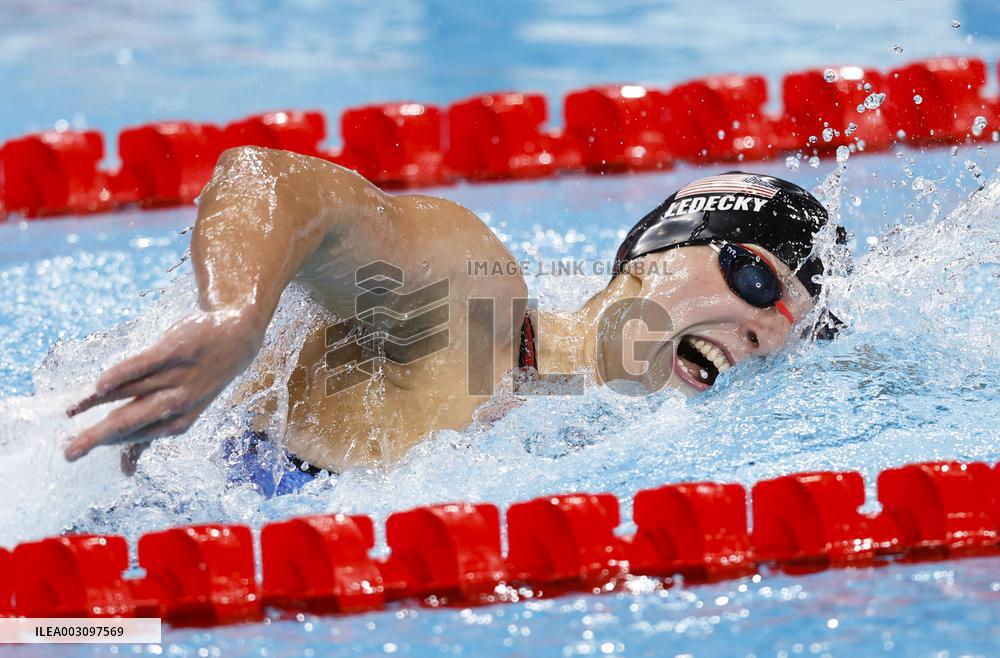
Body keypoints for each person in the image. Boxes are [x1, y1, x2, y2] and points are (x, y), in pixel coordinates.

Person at [62, 147, 845, 480]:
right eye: (754, 279)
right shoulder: (476, 312)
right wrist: (232, 317)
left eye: (793, 331)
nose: (766, 332)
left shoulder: (583, 448)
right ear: (651, 253)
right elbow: (272, 179)